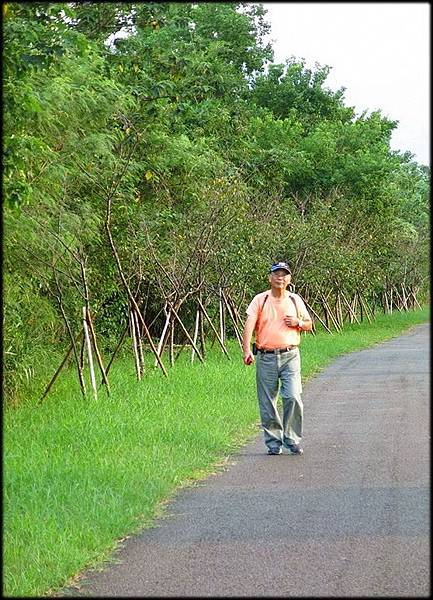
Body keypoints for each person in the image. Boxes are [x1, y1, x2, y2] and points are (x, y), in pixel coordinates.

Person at [242, 261, 312, 455]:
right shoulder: (260, 299)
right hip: (266, 357)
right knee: (267, 401)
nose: (280, 277)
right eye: (276, 274)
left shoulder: (295, 300)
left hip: (290, 355)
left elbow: (309, 324)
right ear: (269, 277)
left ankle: (292, 439)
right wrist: (246, 350)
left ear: (289, 279)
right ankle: (273, 443)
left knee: (292, 396)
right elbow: (249, 324)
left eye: (284, 274)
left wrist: (297, 322)